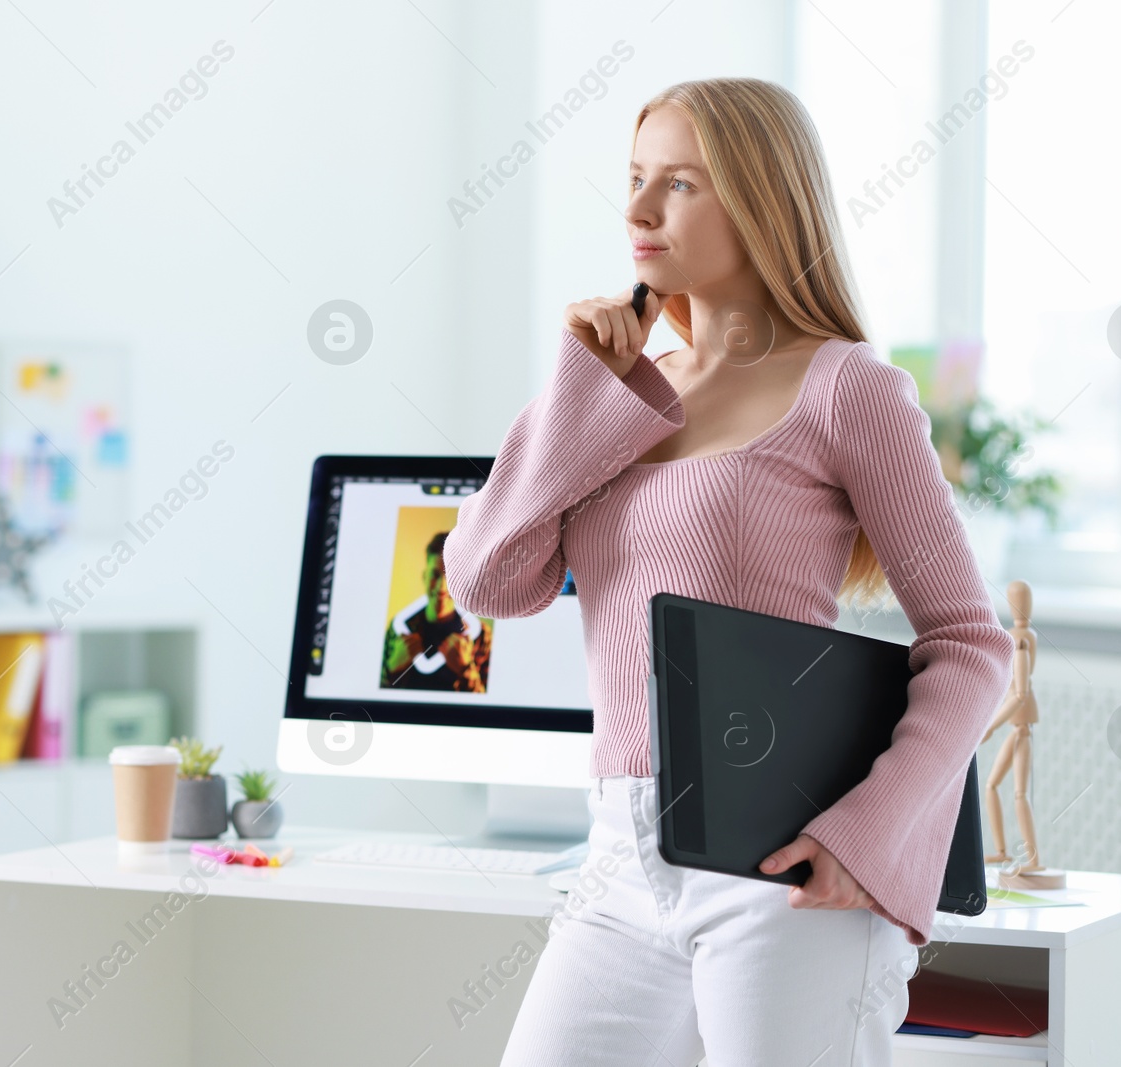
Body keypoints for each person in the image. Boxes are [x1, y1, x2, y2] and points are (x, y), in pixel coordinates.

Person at [441, 77, 1015, 1066]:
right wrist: (583, 379)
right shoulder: (624, 395)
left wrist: (865, 832)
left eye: (678, 184)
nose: (635, 210)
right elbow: (490, 581)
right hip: (619, 857)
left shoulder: (847, 389)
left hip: (787, 862)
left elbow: (970, 643)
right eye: (632, 179)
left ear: (760, 200)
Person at [380, 531, 491, 692]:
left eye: (452, 577)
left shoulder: (481, 636)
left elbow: (487, 709)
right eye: (435, 574)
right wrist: (393, 668)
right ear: (424, 577)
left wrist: (465, 669)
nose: (441, 587)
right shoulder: (399, 629)